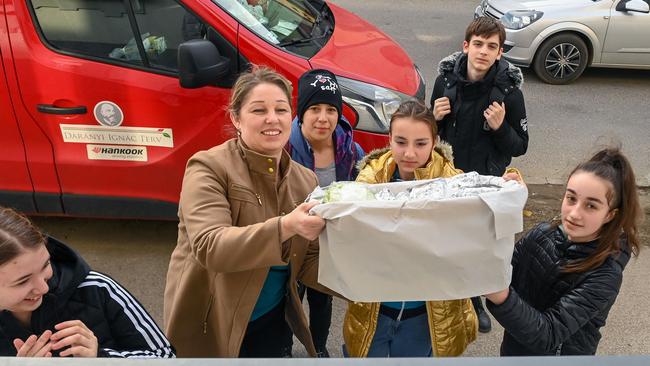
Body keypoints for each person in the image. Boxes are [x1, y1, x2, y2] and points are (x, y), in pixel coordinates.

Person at [163, 66, 329, 358]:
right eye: (258, 110)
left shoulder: (305, 179)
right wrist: (286, 226)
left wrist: (367, 278)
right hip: (212, 324)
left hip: (271, 323)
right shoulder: (208, 167)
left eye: (281, 109)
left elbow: (308, 261)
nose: (272, 119)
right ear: (236, 118)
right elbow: (210, 246)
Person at [343, 100, 477, 358]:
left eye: (421, 144)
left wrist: (510, 185)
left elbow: (481, 221)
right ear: (389, 139)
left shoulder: (455, 183)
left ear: (435, 141)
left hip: (424, 317)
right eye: (401, 142)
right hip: (374, 311)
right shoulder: (369, 180)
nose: (410, 154)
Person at [485, 147, 643, 355]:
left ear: (610, 215)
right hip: (515, 348)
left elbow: (548, 335)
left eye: (591, 206)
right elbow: (503, 267)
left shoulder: (605, 274)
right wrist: (503, 207)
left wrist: (500, 295)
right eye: (571, 198)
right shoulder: (542, 234)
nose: (575, 213)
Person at [430, 16, 529, 332]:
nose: (483, 52)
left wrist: (501, 128)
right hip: (449, 178)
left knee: (478, 245)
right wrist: (433, 118)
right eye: (478, 44)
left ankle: (474, 300)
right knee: (446, 240)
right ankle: (446, 296)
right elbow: (428, 135)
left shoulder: (509, 93)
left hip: (486, 182)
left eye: (491, 46)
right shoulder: (444, 83)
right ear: (465, 46)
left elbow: (521, 145)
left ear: (500, 52)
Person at [0, 207, 174, 358]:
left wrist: (100, 357)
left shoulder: (97, 289)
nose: (43, 287)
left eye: (46, 264)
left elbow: (165, 357)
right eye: (22, 281)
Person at [285, 69, 364, 357]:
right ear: (302, 112)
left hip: (329, 245)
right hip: (290, 242)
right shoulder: (284, 147)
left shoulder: (350, 149)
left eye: (331, 109)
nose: (323, 118)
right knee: (288, 300)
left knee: (322, 301)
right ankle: (283, 348)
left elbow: (363, 192)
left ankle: (317, 349)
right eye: (314, 108)